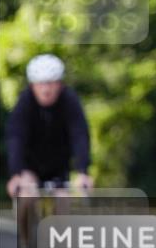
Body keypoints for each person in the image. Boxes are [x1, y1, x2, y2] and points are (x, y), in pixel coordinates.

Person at [5, 54, 93, 198]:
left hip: (59, 167)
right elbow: (16, 137)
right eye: (40, 84)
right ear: (32, 85)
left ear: (59, 84)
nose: (46, 90)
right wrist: (15, 173)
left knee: (63, 202)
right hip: (30, 165)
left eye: (51, 83)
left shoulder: (69, 100)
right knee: (27, 195)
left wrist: (83, 171)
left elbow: (80, 135)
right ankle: (27, 220)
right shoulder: (25, 101)